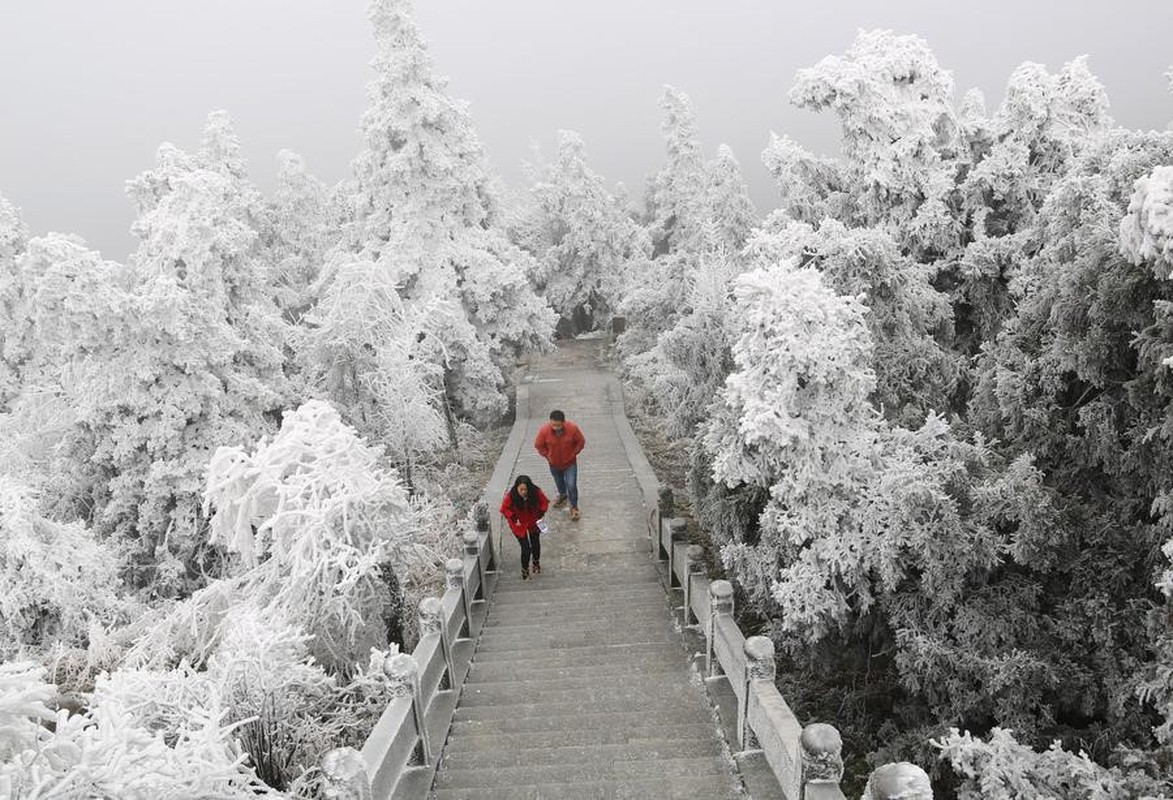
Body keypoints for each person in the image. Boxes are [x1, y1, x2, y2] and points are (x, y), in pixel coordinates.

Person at [533, 409, 585, 520]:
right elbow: (538, 445)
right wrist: (547, 455)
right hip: (554, 463)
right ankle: (562, 495)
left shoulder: (572, 429)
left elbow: (581, 442)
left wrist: (574, 452)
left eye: (558, 425)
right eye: (553, 425)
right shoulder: (544, 431)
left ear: (563, 422)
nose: (555, 427)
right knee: (559, 482)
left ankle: (574, 507)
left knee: (571, 485)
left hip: (570, 463)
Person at [499, 474, 549, 579]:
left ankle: (536, 563)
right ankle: (525, 570)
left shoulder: (536, 492)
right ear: (516, 488)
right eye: (521, 489)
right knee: (526, 548)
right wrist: (512, 516)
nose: (523, 492)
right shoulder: (511, 496)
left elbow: (544, 502)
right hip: (518, 523)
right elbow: (504, 508)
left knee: (535, 543)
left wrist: (540, 512)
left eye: (525, 489)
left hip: (533, 520)